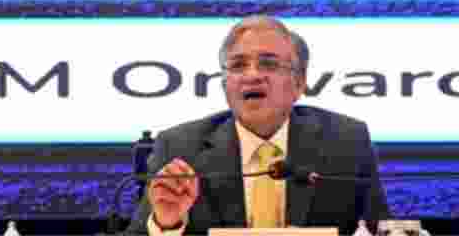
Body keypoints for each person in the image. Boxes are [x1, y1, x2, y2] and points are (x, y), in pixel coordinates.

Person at [128, 15, 388, 235]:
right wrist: (166, 223)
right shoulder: (180, 148)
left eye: (269, 64)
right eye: (238, 65)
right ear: (224, 83)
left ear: (299, 83)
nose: (252, 75)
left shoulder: (346, 141)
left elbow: (384, 229)